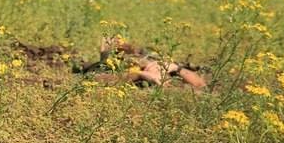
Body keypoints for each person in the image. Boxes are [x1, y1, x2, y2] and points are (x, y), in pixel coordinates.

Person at [77, 36, 207, 90]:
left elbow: (200, 85)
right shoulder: (104, 69)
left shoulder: (154, 63)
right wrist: (140, 75)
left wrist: (175, 68)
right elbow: (97, 79)